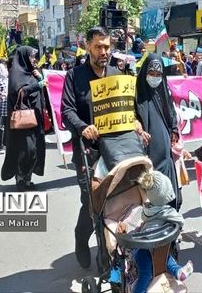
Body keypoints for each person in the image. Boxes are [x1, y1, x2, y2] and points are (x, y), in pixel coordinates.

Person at [62, 27, 138, 269]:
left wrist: (135, 121)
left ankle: (110, 254)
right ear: (87, 46)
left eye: (107, 47)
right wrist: (83, 127)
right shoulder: (74, 76)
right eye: (98, 46)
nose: (104, 51)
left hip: (116, 150)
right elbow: (67, 111)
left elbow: (128, 108)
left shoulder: (117, 75)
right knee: (92, 202)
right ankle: (86, 242)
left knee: (115, 200)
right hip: (87, 150)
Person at [133, 170, 193, 293]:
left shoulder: (147, 209)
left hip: (143, 247)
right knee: (166, 259)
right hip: (160, 246)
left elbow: (144, 221)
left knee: (145, 274)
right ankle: (178, 271)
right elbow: (180, 222)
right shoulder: (168, 212)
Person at [135, 54, 181, 209]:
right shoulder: (137, 93)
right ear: (144, 74)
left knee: (170, 195)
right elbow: (131, 115)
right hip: (148, 154)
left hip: (166, 154)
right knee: (153, 195)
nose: (155, 78)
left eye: (158, 75)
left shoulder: (163, 91)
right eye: (151, 74)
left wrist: (174, 129)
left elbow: (171, 112)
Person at [1, 46, 47, 191]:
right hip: (23, 122)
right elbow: (18, 91)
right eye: (32, 57)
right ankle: (20, 179)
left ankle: (27, 178)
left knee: (34, 150)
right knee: (26, 150)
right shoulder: (16, 74)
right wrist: (37, 85)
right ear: (24, 58)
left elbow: (43, 88)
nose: (34, 60)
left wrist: (39, 78)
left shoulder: (31, 74)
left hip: (35, 119)